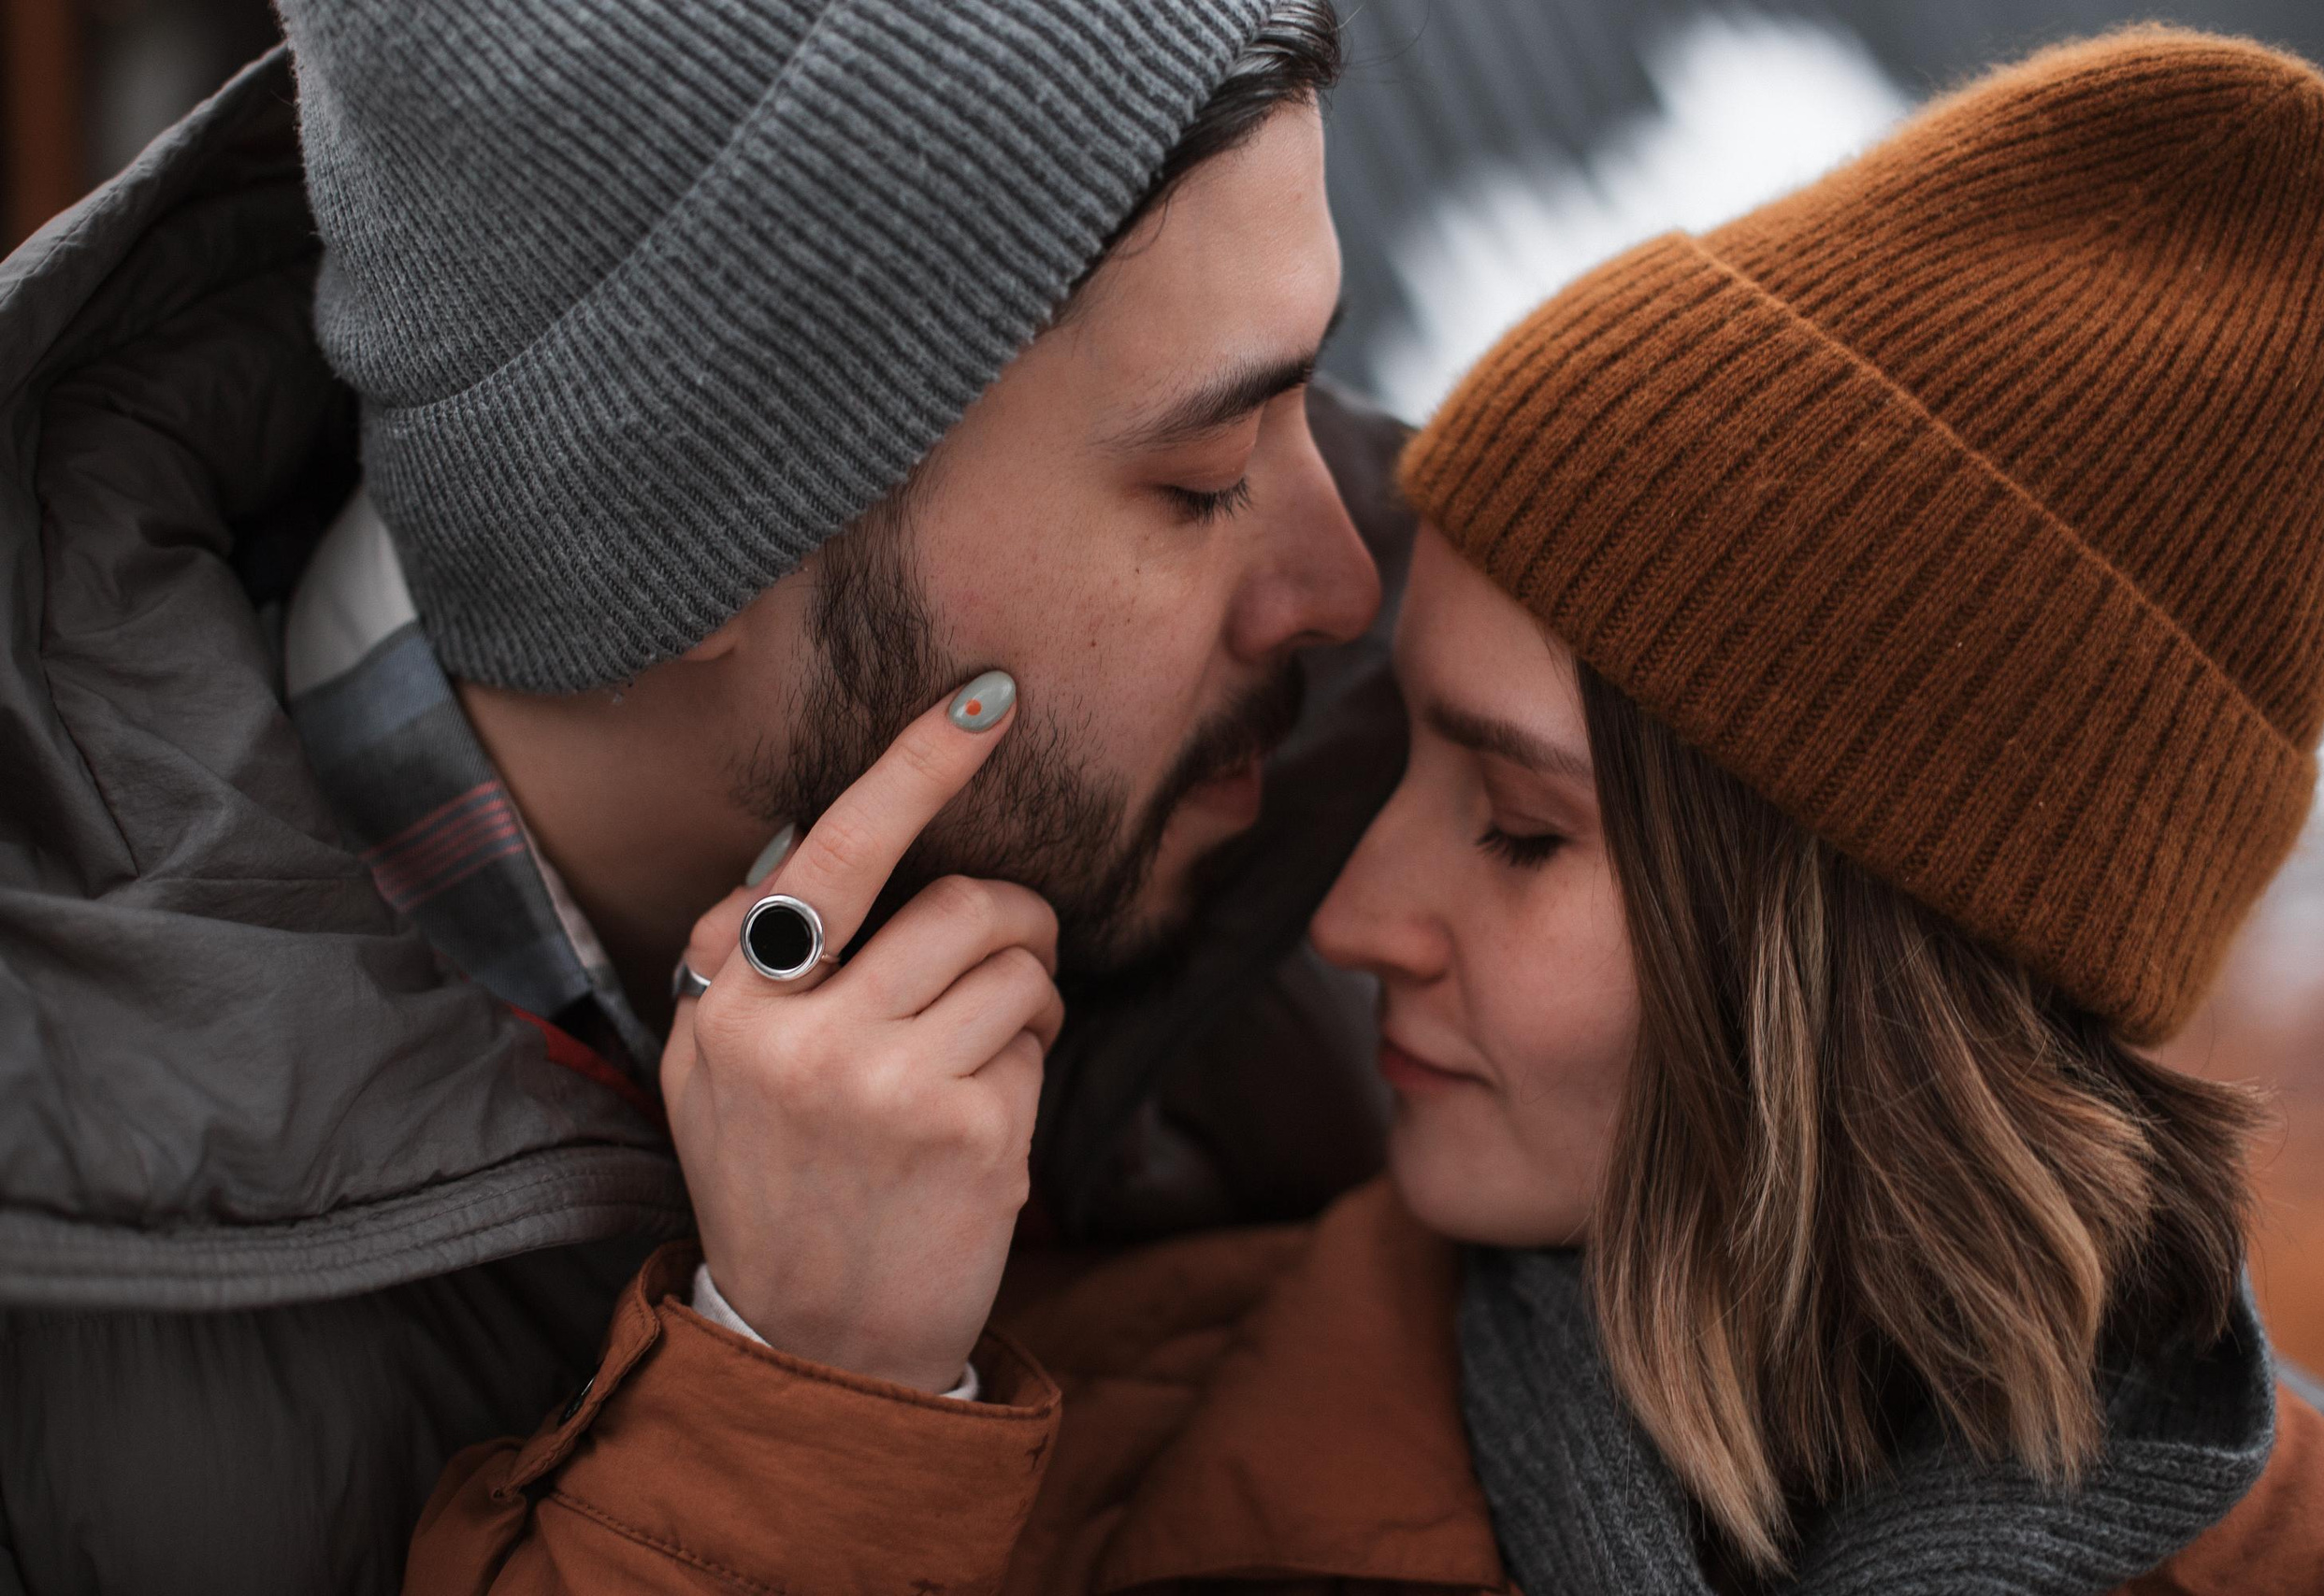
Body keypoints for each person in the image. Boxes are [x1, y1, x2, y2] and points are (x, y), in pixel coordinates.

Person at [404, 27, 2324, 1594]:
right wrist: (803, 1408)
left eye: (1517, 826)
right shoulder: (1037, 1450)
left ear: (1879, 967)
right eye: (1407, 753)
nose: (1347, 909)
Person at [0, 4, 1416, 1591]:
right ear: (694, 548)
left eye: (1314, 387)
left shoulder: (1450, 749)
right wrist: (804, 1403)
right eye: (1205, 476)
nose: (1345, 583)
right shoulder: (60, 1300)